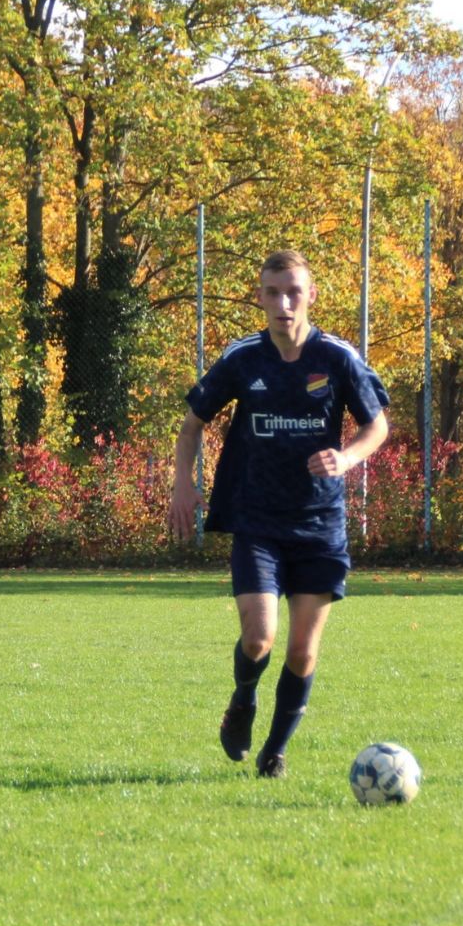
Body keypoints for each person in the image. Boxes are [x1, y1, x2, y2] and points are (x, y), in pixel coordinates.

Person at [168, 250, 390, 778]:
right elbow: (193, 423)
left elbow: (376, 425)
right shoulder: (244, 358)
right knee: (258, 638)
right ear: (261, 297)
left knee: (301, 654)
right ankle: (243, 698)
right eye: (273, 293)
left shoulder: (336, 358)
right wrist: (182, 483)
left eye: (294, 292)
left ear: (311, 295)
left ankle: (276, 751)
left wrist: (347, 456)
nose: (284, 304)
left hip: (318, 525)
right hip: (257, 520)